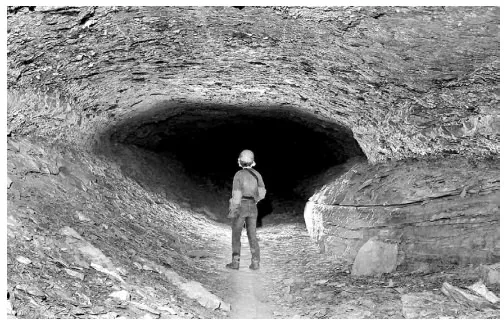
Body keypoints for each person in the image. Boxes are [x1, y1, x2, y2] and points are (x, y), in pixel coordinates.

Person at [226, 149, 266, 270]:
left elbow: (237, 194)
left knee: (236, 234)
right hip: (253, 206)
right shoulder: (257, 174)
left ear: (240, 161)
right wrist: (255, 200)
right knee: (252, 235)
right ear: (252, 161)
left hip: (241, 206)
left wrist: (233, 208)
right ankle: (255, 262)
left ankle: (235, 262)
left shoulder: (239, 175)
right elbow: (262, 193)